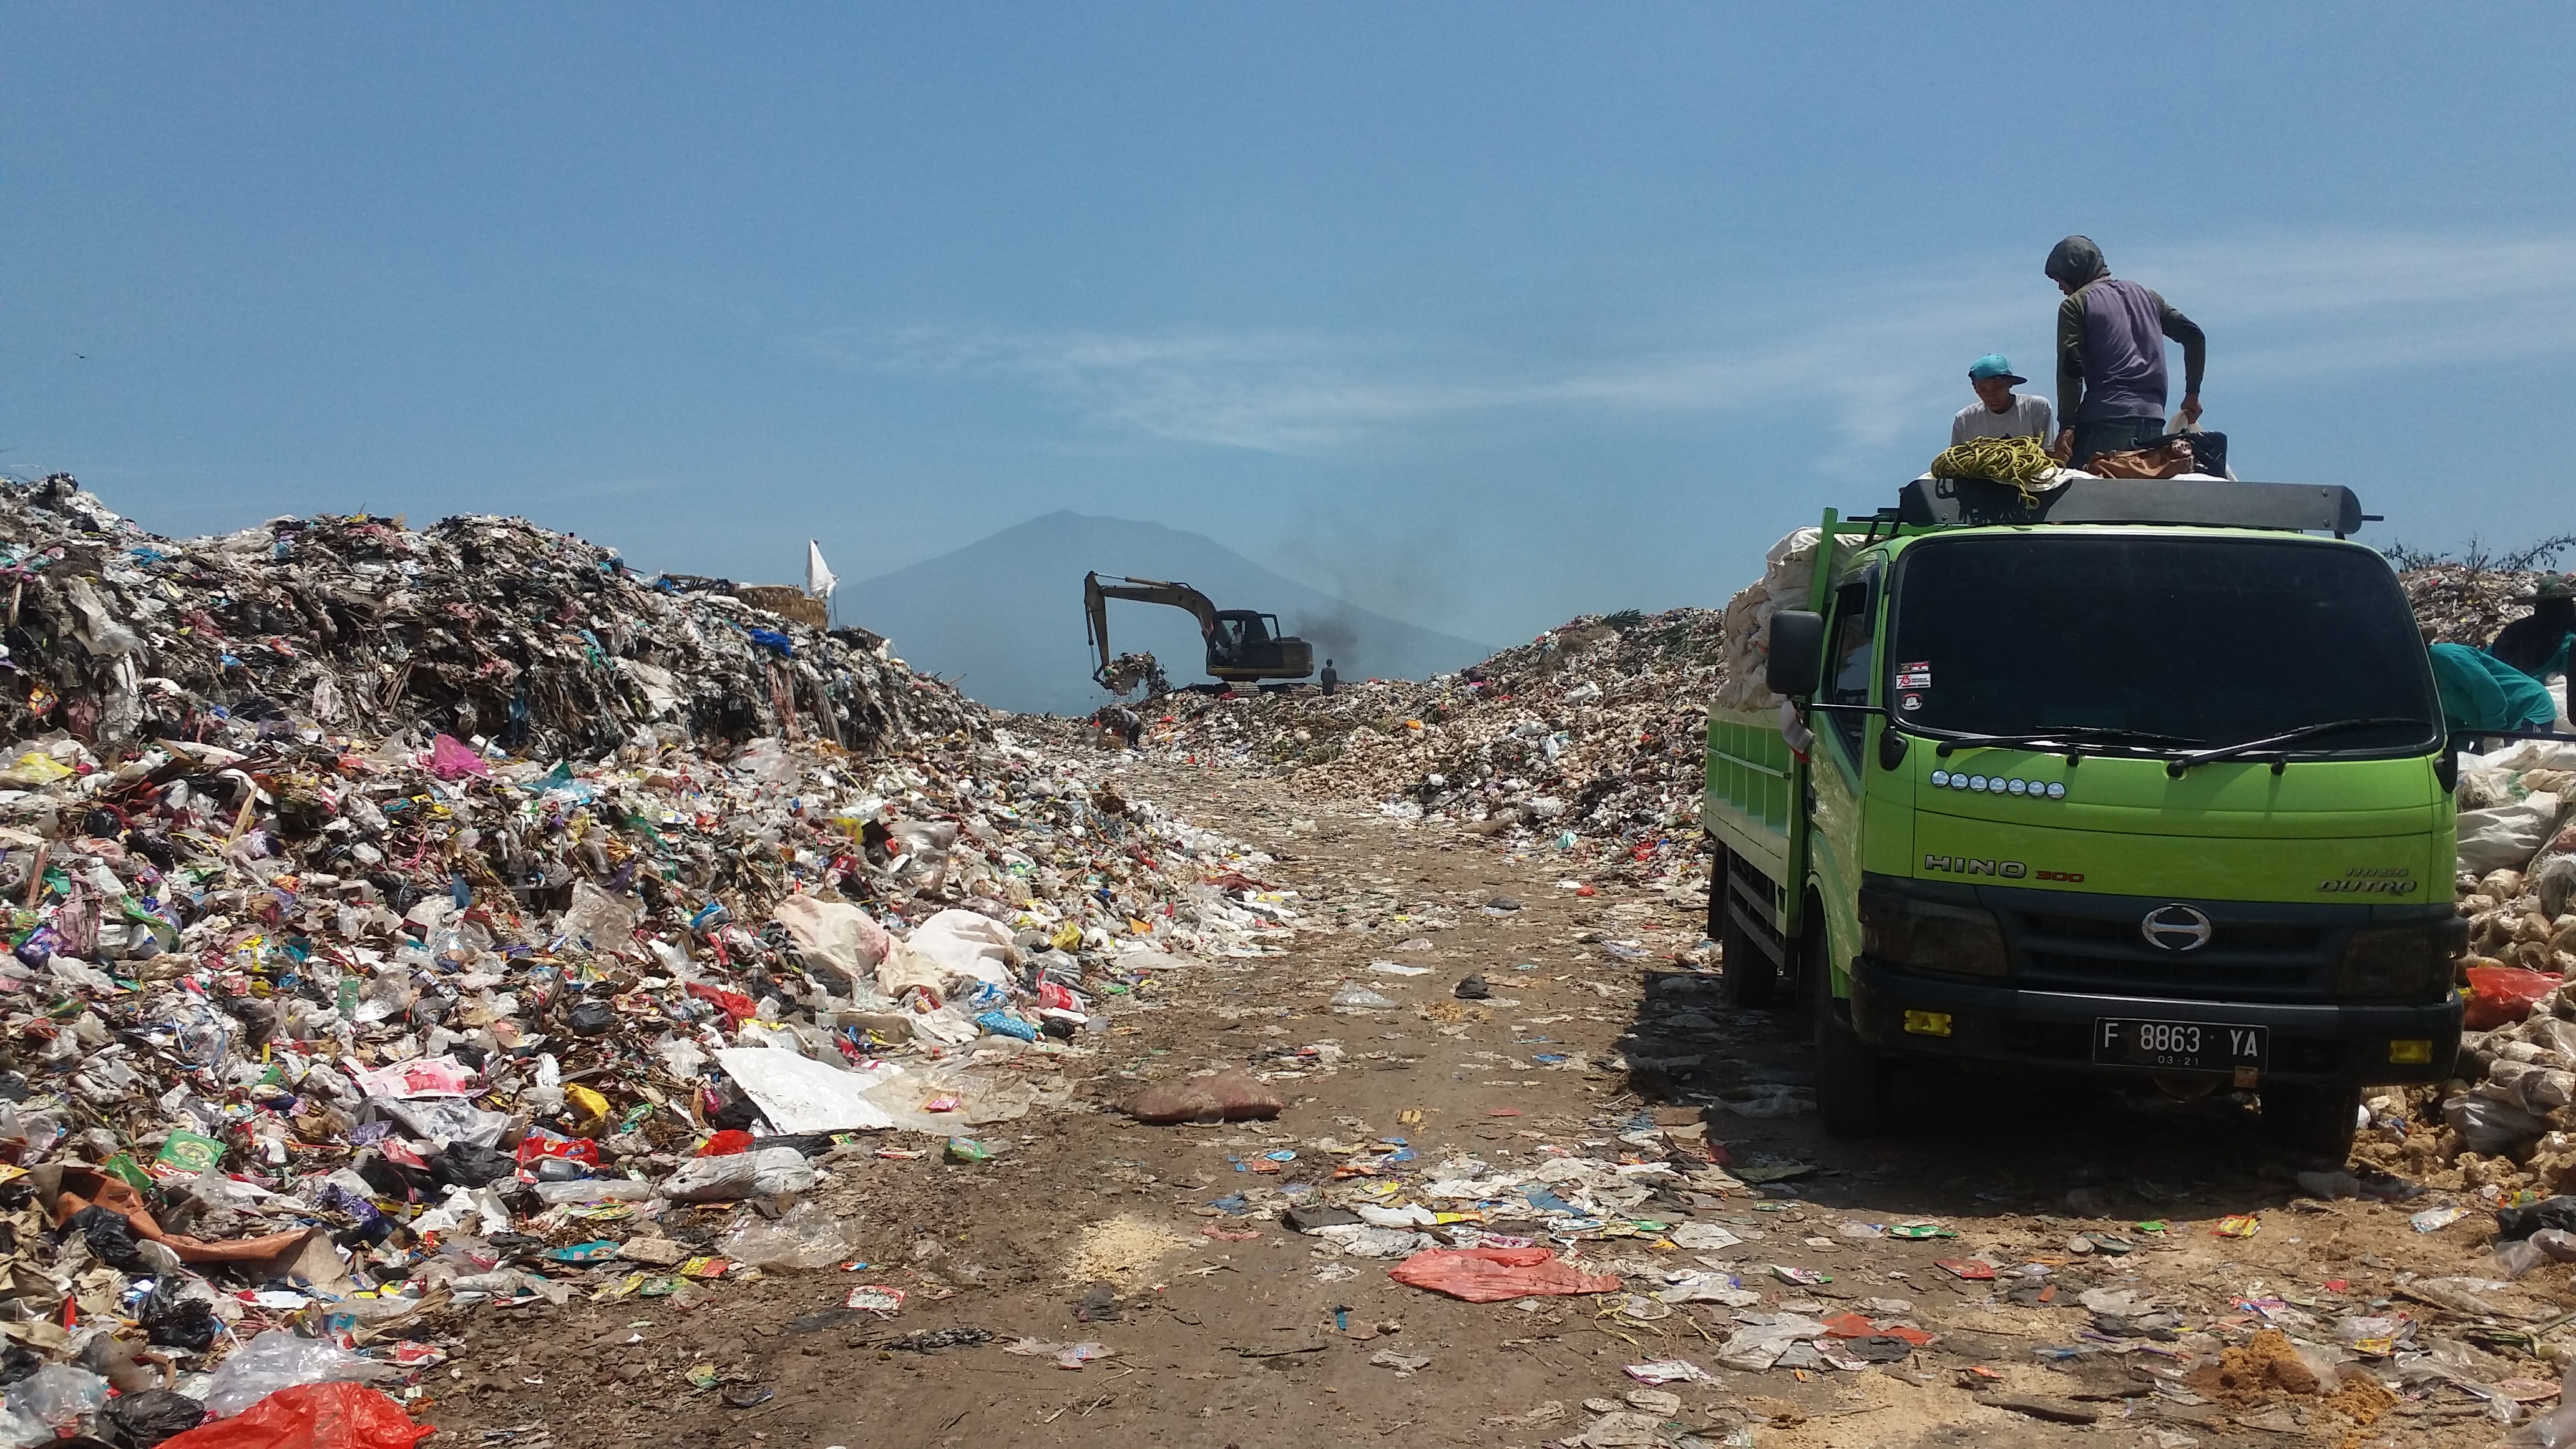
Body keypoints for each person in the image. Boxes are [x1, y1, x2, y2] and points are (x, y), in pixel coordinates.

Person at [2044, 236, 2207, 469]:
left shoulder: (2076, 304)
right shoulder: (2148, 297)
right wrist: (2193, 394)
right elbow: (2194, 336)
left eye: (2060, 281)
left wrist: (2067, 426)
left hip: (2105, 419)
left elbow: (2070, 368)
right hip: (2152, 420)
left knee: (2078, 494)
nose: (2061, 288)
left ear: (2073, 271)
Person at [1950, 354, 2053, 445]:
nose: (1991, 396)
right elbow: (1956, 461)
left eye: (1998, 387)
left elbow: (2048, 453)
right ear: (1975, 388)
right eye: (1983, 390)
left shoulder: (2036, 408)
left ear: (2010, 383)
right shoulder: (1964, 420)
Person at [2490, 575, 2576, 681]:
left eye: (2562, 604)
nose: (2558, 610)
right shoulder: (2516, 632)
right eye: (2551, 605)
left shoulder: (2516, 629)